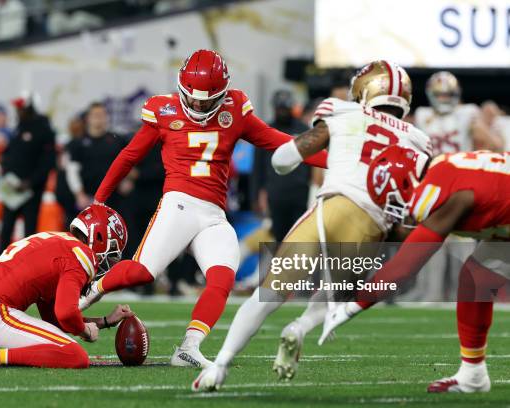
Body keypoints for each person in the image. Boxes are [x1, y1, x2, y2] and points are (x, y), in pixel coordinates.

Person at [192, 60, 433, 391]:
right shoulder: (420, 141)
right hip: (369, 227)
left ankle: (219, 365)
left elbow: (283, 159)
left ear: (364, 89)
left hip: (329, 210)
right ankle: (300, 328)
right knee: (332, 300)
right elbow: (418, 204)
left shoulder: (343, 112)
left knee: (269, 294)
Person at [79, 49, 328, 368]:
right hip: (179, 204)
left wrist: (336, 161)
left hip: (213, 215)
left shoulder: (235, 110)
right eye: (192, 99)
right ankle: (88, 292)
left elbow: (279, 142)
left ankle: (188, 347)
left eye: (205, 101)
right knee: (142, 272)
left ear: (222, 94)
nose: (197, 105)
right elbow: (130, 156)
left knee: (222, 276)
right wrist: (100, 198)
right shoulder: (164, 111)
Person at [319, 147, 510, 393]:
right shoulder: (447, 171)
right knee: (476, 279)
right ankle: (473, 375)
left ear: (407, 183)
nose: (396, 215)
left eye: (394, 201)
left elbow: (405, 266)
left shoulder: (444, 190)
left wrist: (352, 306)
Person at [0, 205, 134, 369]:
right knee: (75, 356)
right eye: (111, 253)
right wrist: (85, 331)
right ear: (99, 238)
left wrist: (104, 321)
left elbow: (55, 319)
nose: (107, 263)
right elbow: (66, 314)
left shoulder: (58, 241)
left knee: (65, 348)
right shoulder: (81, 254)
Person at [408, 72, 504, 301]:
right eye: (438, 94)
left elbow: (493, 144)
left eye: (447, 94)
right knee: (432, 239)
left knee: (462, 242)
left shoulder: (467, 113)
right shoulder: (422, 115)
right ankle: (430, 292)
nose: (442, 98)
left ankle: (459, 293)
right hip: (434, 183)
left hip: (460, 183)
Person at [251, 90, 310, 242]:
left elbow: (312, 162)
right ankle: (280, 265)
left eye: (285, 108)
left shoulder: (304, 130)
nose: (282, 112)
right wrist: (256, 196)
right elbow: (258, 167)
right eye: (280, 108)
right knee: (278, 238)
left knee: (299, 238)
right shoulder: (265, 131)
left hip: (300, 194)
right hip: (275, 194)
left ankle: (297, 265)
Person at [0, 93, 55, 250]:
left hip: (31, 191)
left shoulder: (44, 130)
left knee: (29, 234)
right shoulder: (18, 128)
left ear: (29, 108)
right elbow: (9, 153)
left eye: (21, 108)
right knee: (5, 230)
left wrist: (30, 182)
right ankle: (2, 266)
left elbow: (48, 163)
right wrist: (5, 168)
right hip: (12, 189)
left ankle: (28, 270)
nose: (17, 111)